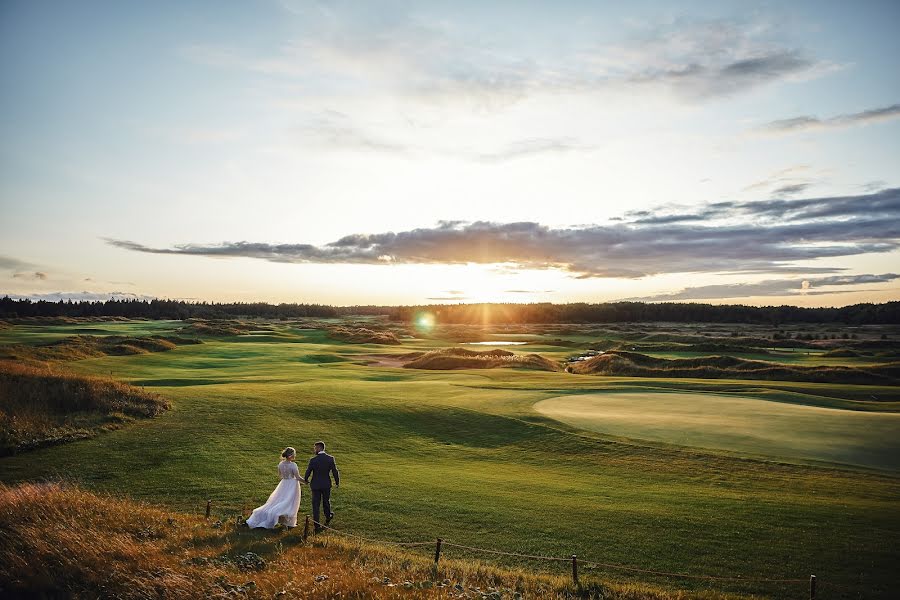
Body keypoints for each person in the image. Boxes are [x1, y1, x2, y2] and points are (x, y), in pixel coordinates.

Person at [245, 447, 306, 529]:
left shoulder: (281, 464)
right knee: (290, 502)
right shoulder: (293, 465)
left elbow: (280, 475)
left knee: (280, 500)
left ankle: (282, 520)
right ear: (291, 455)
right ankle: (286, 522)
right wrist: (306, 482)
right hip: (292, 484)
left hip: (283, 483)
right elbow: (298, 477)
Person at [304, 440, 340, 533]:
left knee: (315, 505)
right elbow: (334, 471)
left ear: (319, 448)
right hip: (326, 484)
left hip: (315, 485)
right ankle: (328, 516)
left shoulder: (313, 460)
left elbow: (308, 471)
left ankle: (316, 524)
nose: (314, 449)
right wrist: (337, 482)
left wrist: (306, 479)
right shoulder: (330, 459)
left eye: (315, 448)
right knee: (326, 501)